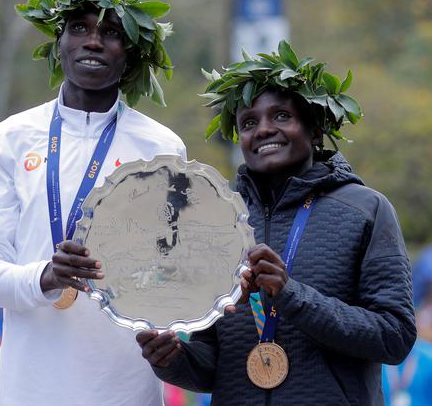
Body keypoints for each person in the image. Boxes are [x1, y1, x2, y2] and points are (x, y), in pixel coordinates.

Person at [136, 42, 416, 404]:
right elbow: (211, 365)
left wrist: (291, 296)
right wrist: (173, 360)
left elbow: (395, 337)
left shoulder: (366, 210)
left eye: (282, 116)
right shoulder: (216, 221)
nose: (264, 129)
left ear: (315, 130)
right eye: (249, 123)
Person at [0, 0, 185, 405]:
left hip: (127, 390)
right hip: (31, 389)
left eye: (113, 33)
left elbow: (174, 271)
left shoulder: (161, 147)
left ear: (132, 56)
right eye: (79, 28)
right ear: (58, 45)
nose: (94, 41)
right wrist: (45, 276)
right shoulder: (11, 137)